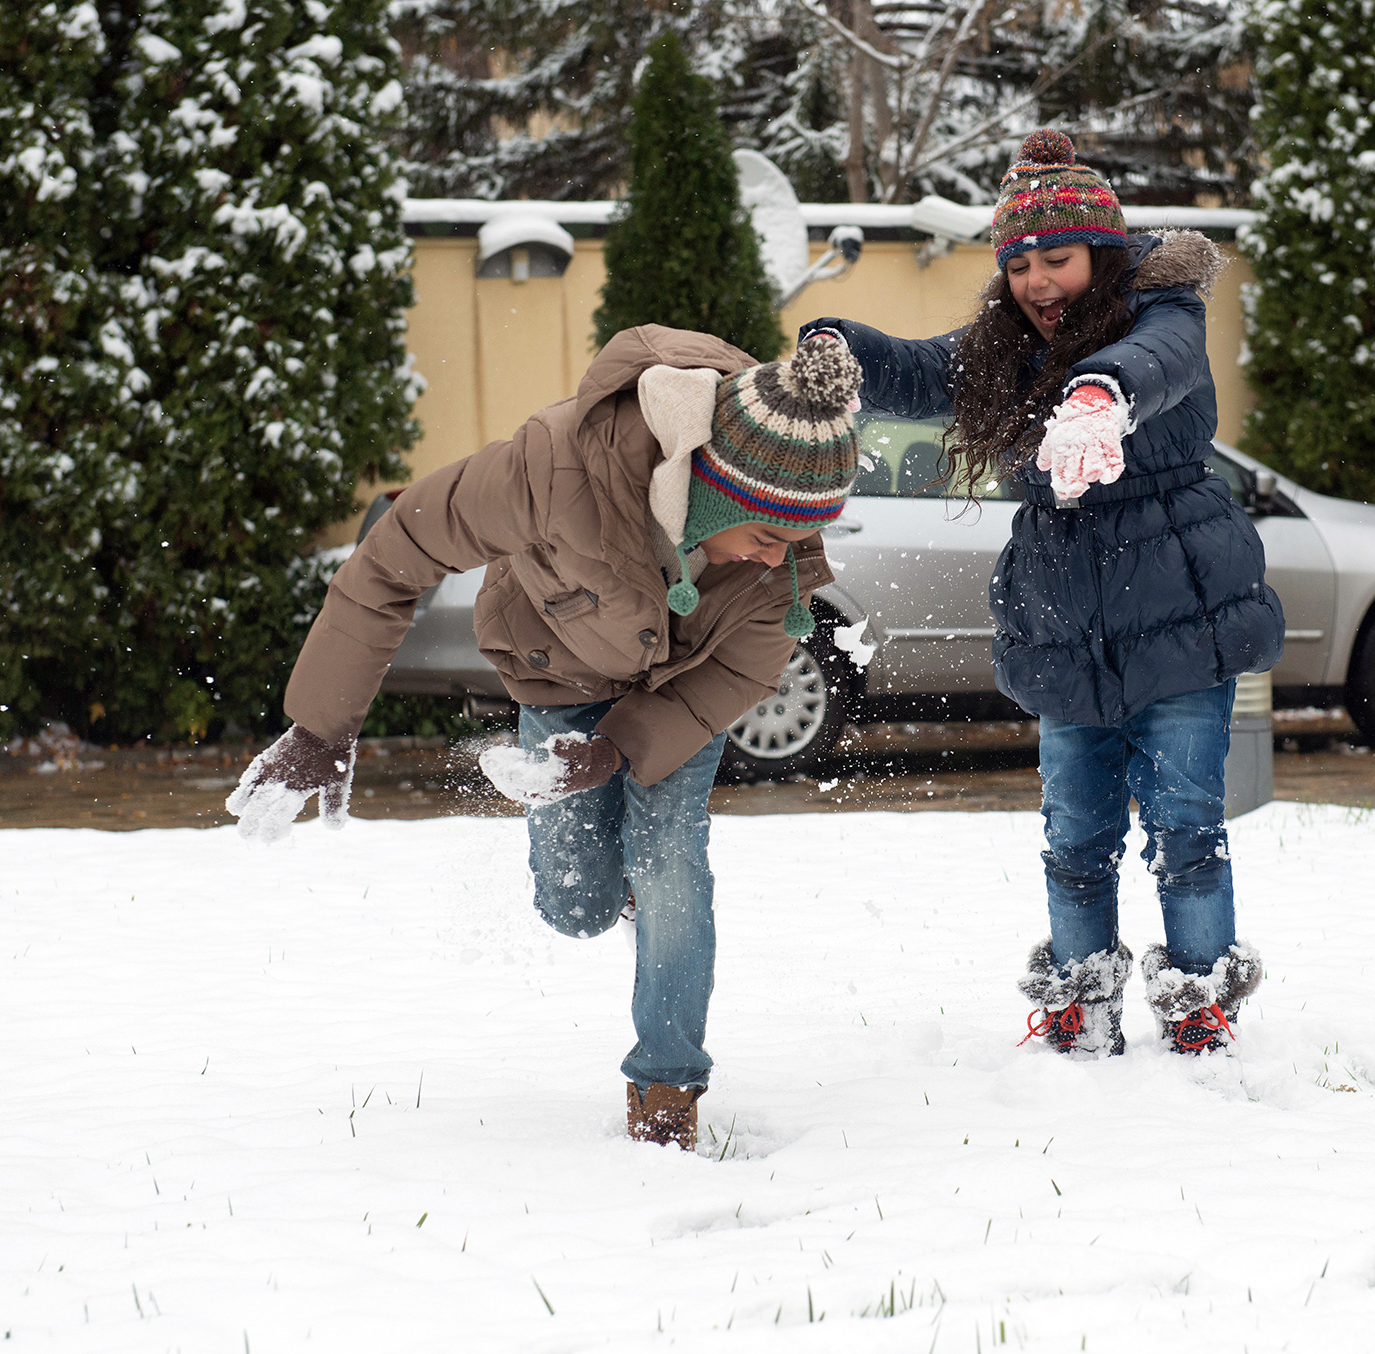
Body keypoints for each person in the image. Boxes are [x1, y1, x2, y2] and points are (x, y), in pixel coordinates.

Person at [227, 325, 862, 1146]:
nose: (780, 557)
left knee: (672, 863)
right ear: (714, 491)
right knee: (575, 907)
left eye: (796, 538)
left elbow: (737, 675)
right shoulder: (554, 471)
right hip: (557, 670)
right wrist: (321, 725)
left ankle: (667, 1085)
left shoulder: (783, 557)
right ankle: (614, 890)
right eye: (768, 534)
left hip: (677, 696)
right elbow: (397, 555)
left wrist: (618, 751)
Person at [803, 129, 1284, 1057]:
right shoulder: (1004, 347)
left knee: (1185, 826)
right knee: (1075, 834)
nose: (1036, 283)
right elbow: (914, 369)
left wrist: (1100, 397)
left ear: (1100, 255)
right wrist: (840, 348)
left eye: (1055, 259)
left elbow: (1158, 361)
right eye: (1019, 265)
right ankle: (1077, 999)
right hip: (1061, 620)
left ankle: (1199, 1002)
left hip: (1179, 612)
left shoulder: (1164, 310)